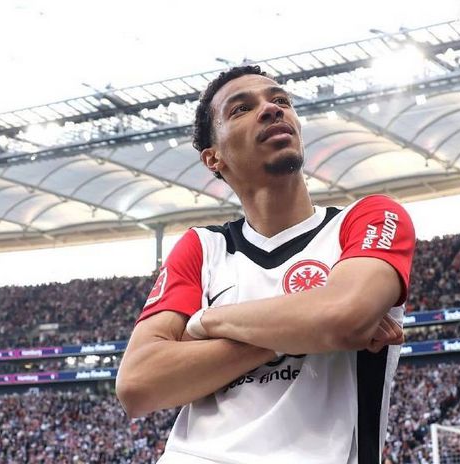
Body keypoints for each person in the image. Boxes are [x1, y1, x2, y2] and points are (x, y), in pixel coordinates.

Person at [116, 65, 416, 464]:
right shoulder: (202, 247)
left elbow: (343, 317)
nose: (272, 109)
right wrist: (309, 325)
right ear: (213, 158)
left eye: (280, 100)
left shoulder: (369, 218)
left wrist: (206, 322)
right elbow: (137, 385)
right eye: (241, 108)